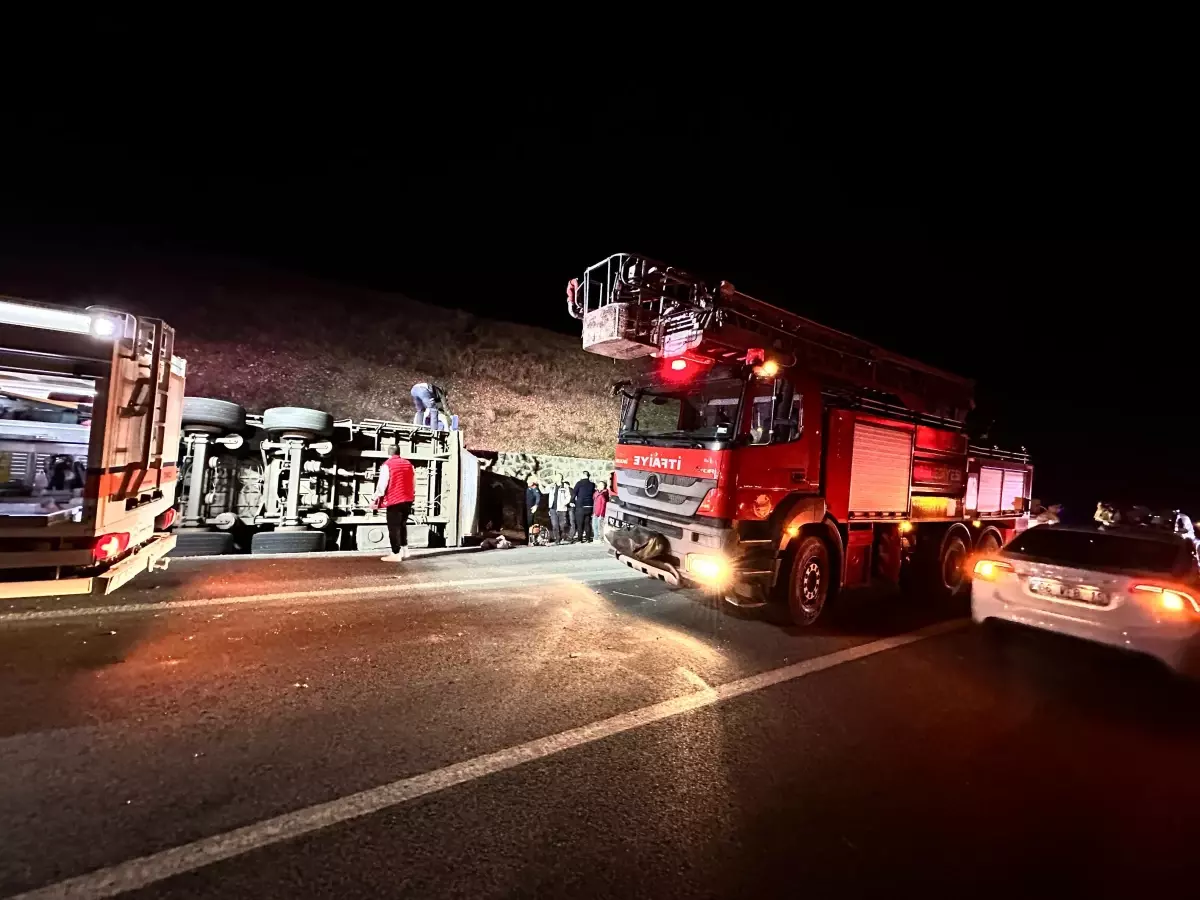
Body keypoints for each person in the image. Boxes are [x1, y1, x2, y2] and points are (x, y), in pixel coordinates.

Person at [372, 445, 415, 561]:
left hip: (394, 500)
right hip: (408, 499)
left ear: (389, 453)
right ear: (399, 452)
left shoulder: (387, 465)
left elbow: (382, 484)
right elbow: (413, 482)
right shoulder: (409, 464)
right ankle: (405, 551)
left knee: (393, 527)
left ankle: (395, 553)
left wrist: (375, 498)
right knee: (402, 525)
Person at [572, 471, 596, 543]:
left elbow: (574, 493)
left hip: (581, 505)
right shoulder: (592, 484)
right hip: (589, 506)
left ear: (583, 475)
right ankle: (588, 538)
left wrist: (571, 501)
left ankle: (580, 539)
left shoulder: (579, 483)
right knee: (587, 523)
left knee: (580, 523)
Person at [550, 478, 572, 545]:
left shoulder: (565, 486)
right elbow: (544, 491)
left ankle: (562, 537)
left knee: (562, 525)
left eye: (558, 477)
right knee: (554, 525)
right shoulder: (552, 486)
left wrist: (564, 503)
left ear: (561, 478)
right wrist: (539, 483)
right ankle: (557, 539)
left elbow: (568, 496)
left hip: (562, 508)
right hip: (553, 508)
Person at [525, 477, 542, 546]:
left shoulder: (534, 488)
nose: (528, 482)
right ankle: (528, 539)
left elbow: (538, 497)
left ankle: (532, 540)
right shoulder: (527, 488)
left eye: (530, 481)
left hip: (531, 508)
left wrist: (536, 505)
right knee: (527, 524)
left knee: (531, 524)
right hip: (526, 508)